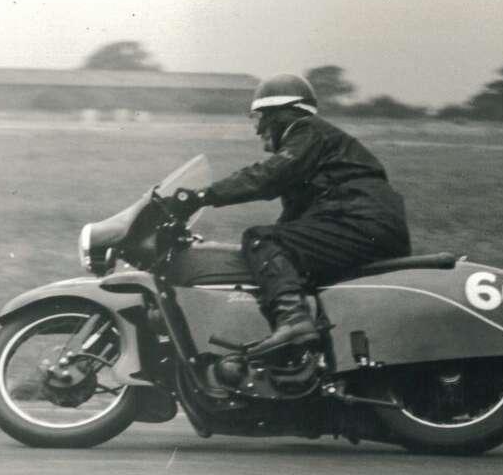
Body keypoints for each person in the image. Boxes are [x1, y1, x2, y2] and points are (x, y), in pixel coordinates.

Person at [173, 73, 411, 356]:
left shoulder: (307, 130)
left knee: (261, 239)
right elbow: (291, 222)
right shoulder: (319, 142)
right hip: (365, 225)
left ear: (278, 114)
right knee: (274, 245)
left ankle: (293, 322)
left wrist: (201, 196)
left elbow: (267, 175)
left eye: (258, 117)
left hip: (358, 223)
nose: (257, 129)